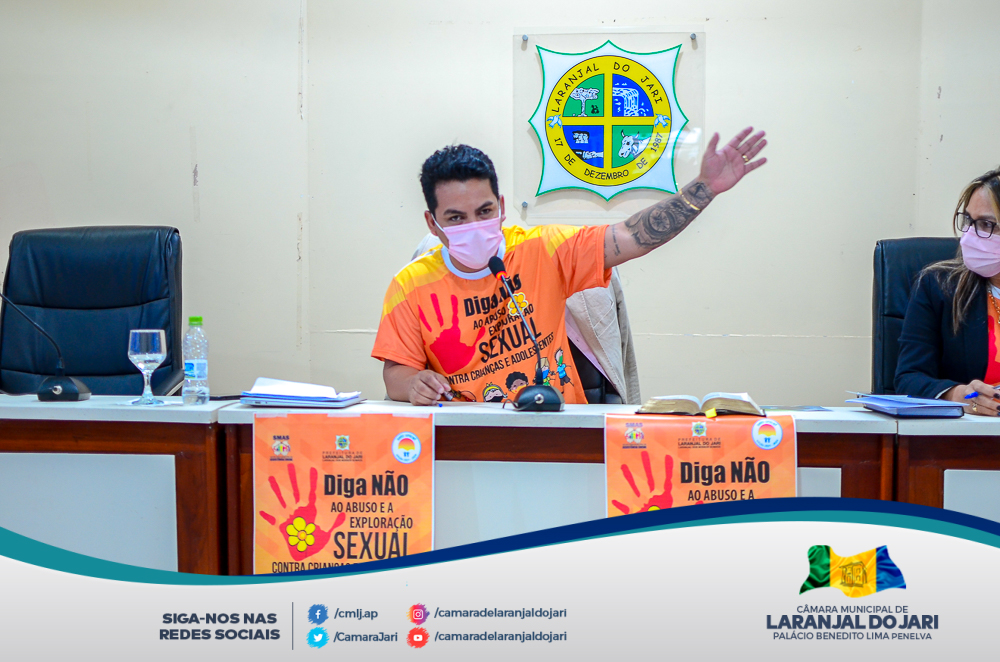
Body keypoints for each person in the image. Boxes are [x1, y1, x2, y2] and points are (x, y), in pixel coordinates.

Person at [373, 128, 767, 405]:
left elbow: (631, 236)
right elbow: (396, 376)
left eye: (485, 211)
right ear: (433, 224)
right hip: (470, 437)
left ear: (502, 207)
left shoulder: (543, 250)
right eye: (456, 218)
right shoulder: (410, 286)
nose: (474, 226)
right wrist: (416, 384)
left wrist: (703, 189)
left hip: (560, 427)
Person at [895, 167, 1000, 416]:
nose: (969, 235)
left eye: (986, 224)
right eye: (968, 221)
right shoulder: (939, 285)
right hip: (968, 433)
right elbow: (909, 378)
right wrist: (958, 395)